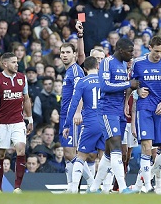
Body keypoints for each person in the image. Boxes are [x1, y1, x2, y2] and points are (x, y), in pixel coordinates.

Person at [125, 36, 161, 193]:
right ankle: (147, 187)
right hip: (144, 108)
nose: (159, 54)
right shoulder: (138, 63)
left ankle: (145, 178)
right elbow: (132, 84)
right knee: (147, 147)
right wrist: (137, 91)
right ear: (150, 47)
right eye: (156, 51)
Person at [89, 38, 139, 194]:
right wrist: (128, 84)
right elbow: (104, 86)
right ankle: (123, 187)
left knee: (110, 152)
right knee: (116, 144)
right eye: (130, 51)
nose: (132, 54)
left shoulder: (124, 65)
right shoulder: (107, 62)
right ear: (120, 50)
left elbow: (123, 88)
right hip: (107, 110)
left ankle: (93, 188)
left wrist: (125, 103)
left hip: (119, 111)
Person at [0, 52, 33, 193]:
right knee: (0, 154)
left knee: (21, 150)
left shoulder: (22, 78)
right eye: (13, 62)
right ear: (5, 64)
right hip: (1, 123)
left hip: (18, 122)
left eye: (17, 61)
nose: (17, 64)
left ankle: (17, 187)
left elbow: (26, 99)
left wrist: (29, 119)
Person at [63, 56, 103, 193]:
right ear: (98, 66)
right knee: (105, 157)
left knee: (81, 156)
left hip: (90, 122)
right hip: (105, 122)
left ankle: (74, 188)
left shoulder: (82, 82)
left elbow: (73, 104)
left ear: (84, 69)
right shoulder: (105, 81)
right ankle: (104, 188)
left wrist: (67, 125)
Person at [59, 20, 85, 193]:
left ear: (74, 55)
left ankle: (92, 183)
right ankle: (71, 187)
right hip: (64, 115)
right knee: (68, 155)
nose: (64, 55)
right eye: (62, 52)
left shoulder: (75, 71)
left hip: (72, 116)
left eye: (68, 52)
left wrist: (76, 113)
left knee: (71, 153)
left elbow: (80, 93)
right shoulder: (69, 70)